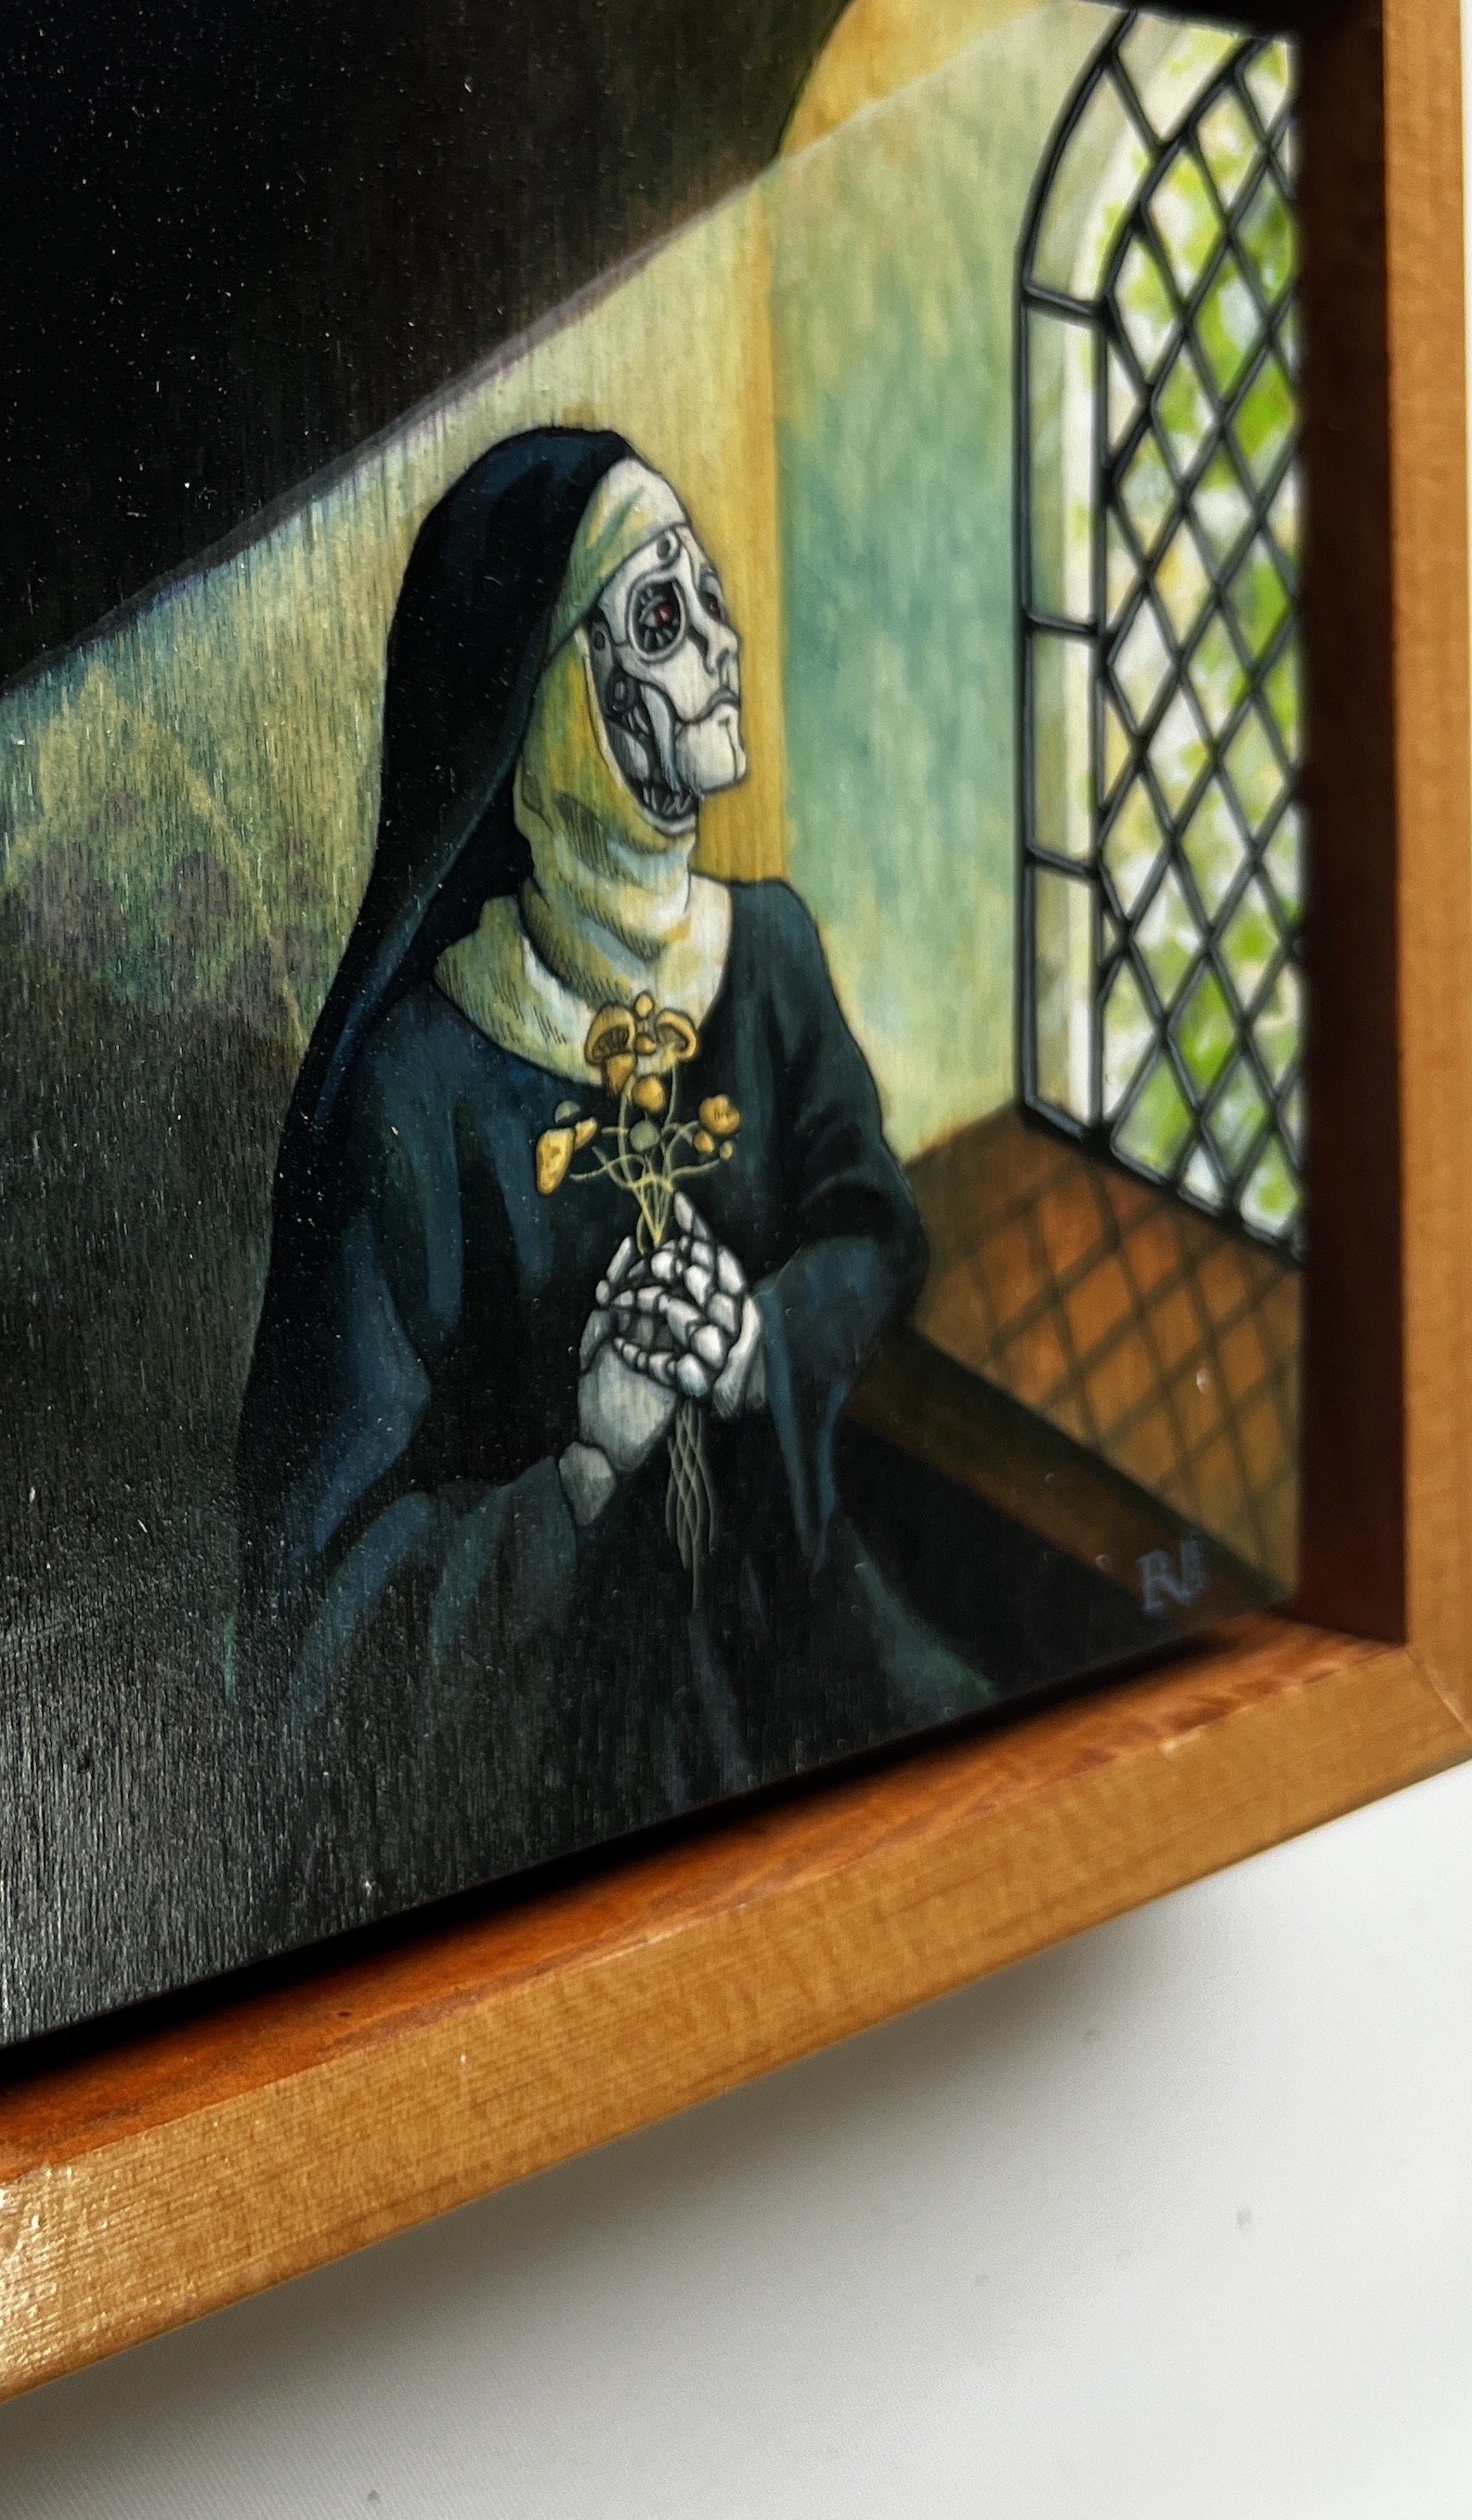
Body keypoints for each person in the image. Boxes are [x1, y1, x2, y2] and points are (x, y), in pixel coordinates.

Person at [236, 426, 983, 1943]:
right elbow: (320, 1624)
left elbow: (872, 1228)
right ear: (555, 701)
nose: (720, 646)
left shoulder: (770, 955)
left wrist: (754, 1345)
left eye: (707, 595)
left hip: (792, 1627)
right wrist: (586, 1466)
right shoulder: (416, 1089)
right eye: (660, 618)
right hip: (556, 1766)